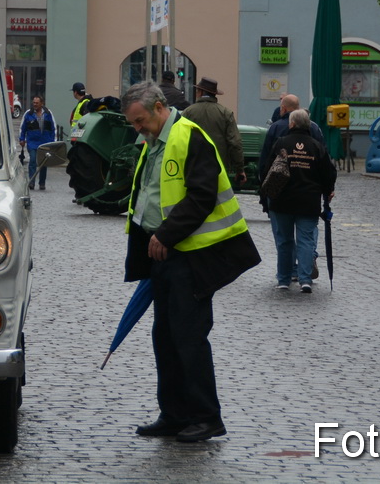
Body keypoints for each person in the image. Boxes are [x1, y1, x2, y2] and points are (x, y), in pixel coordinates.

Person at [121, 83, 257, 444]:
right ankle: (174, 414)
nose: (138, 128)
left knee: (188, 338)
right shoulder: (153, 141)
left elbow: (201, 196)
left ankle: (206, 417)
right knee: (165, 338)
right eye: (133, 123)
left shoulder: (189, 136)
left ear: (159, 107)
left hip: (193, 256)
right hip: (166, 256)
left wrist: (166, 235)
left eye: (140, 120)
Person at [264, 109, 334, 292]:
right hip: (308, 201)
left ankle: (284, 279)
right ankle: (305, 279)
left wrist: (266, 192)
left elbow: (267, 167)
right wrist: (328, 191)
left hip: (282, 200)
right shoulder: (316, 146)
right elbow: (328, 172)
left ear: (292, 124)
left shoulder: (282, 143)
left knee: (284, 241)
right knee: (306, 240)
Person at [182, 78, 245, 188]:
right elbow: (235, 143)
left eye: (197, 91)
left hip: (193, 167)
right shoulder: (226, 113)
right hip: (218, 169)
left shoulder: (188, 112)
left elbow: (180, 139)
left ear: (201, 92)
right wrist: (240, 169)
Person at [18, 95, 58, 190]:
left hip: (45, 143)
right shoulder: (28, 114)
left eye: (37, 103)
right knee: (32, 161)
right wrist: (22, 139)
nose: (35, 104)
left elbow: (53, 128)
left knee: (43, 163)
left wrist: (54, 142)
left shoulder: (48, 113)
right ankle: (31, 182)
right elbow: (22, 128)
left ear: (42, 103)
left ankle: (42, 183)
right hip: (32, 143)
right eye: (34, 102)